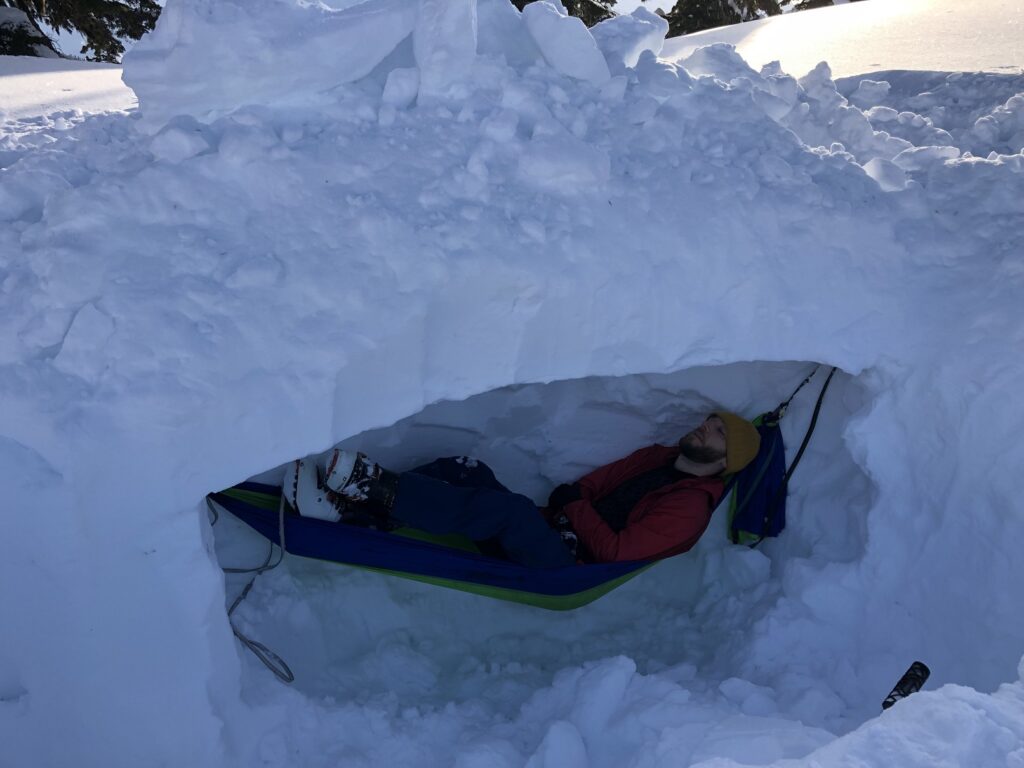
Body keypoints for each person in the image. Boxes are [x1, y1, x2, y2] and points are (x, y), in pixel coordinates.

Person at [284, 412, 761, 569]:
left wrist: (573, 508)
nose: (703, 429)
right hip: (559, 528)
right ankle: (356, 514)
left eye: (717, 434)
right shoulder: (659, 457)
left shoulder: (689, 508)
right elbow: (596, 483)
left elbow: (618, 551)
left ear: (725, 462)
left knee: (507, 512)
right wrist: (574, 497)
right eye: (709, 423)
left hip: (571, 568)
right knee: (465, 469)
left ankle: (369, 484)